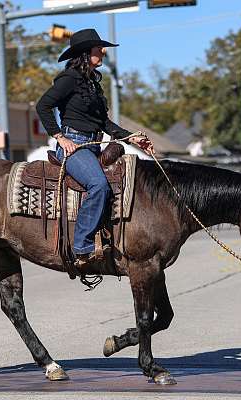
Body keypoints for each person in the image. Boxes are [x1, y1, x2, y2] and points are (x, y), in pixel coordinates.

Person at [36, 28, 154, 267]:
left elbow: (104, 123)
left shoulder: (93, 84)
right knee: (98, 185)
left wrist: (131, 138)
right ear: (85, 53)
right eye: (98, 48)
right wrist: (59, 137)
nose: (103, 52)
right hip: (74, 146)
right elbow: (43, 106)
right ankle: (82, 245)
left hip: (92, 145)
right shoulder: (69, 79)